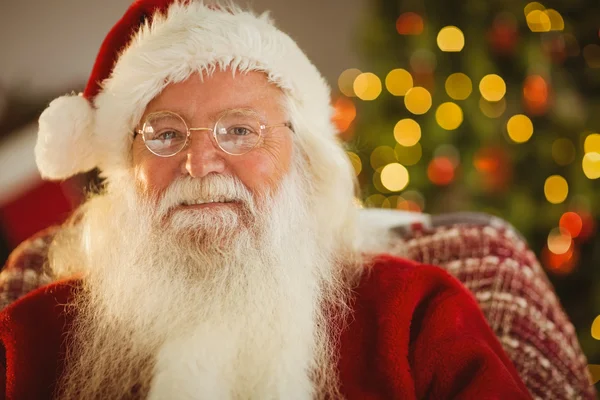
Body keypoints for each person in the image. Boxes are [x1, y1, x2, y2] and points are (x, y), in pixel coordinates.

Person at [0, 1, 533, 399]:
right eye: (164, 135)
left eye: (239, 130)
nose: (199, 163)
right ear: (124, 171)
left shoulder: (417, 315)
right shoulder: (30, 337)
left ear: (303, 158)